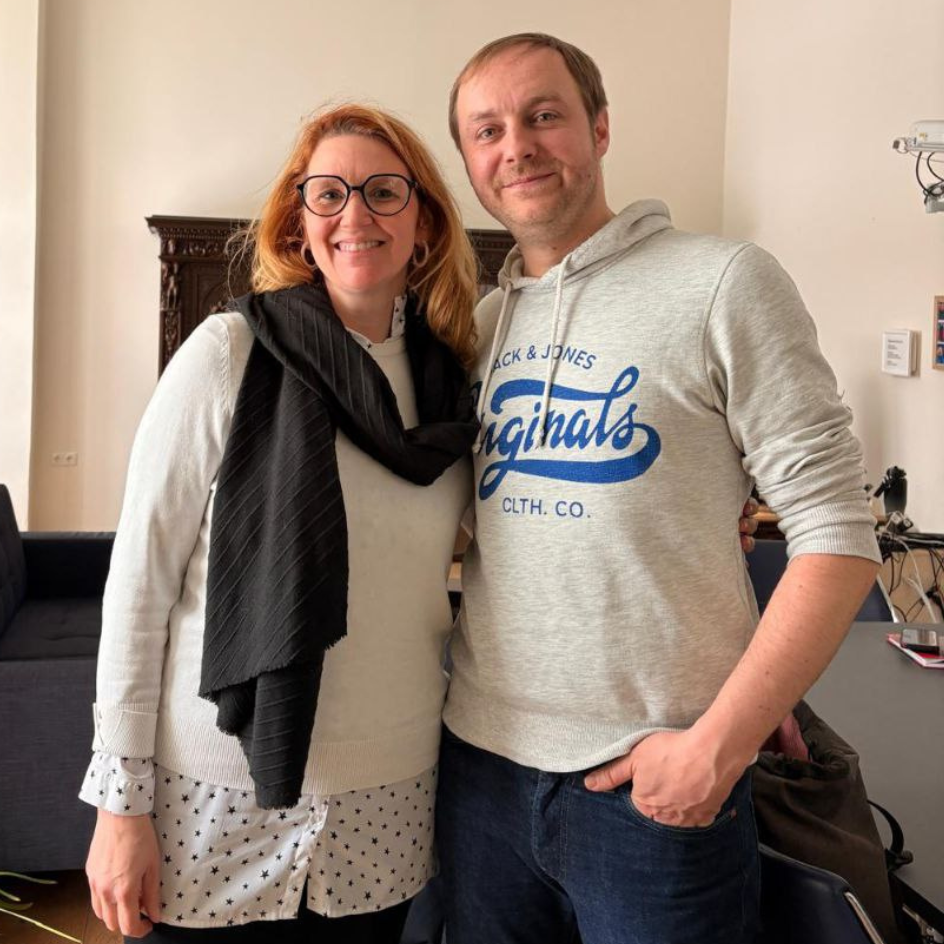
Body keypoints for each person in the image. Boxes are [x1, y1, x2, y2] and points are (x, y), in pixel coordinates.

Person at [436, 33, 882, 944]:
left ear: (599, 128)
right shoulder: (482, 329)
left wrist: (722, 743)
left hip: (654, 792)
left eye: (544, 115)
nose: (516, 146)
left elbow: (838, 534)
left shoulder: (723, 282)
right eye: (487, 130)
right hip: (478, 776)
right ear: (471, 164)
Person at [81, 103, 481, 943]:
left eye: (384, 191)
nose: (355, 214)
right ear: (299, 224)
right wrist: (120, 806)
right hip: (213, 794)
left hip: (387, 796)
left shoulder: (453, 389)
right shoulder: (228, 354)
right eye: (328, 193)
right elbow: (139, 585)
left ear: (425, 224)